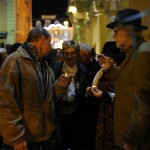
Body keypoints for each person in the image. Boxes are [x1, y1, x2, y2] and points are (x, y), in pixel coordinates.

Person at [0, 27, 71, 150]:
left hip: (43, 138)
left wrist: (60, 85)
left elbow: (48, 98)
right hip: (24, 140)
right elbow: (6, 103)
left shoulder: (44, 64)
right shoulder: (14, 61)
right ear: (42, 40)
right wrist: (16, 137)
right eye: (50, 43)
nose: (51, 47)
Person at [99, 8, 150, 150]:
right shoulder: (133, 52)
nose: (113, 37)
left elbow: (143, 103)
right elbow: (126, 80)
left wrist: (132, 139)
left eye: (116, 32)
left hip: (136, 141)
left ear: (128, 31)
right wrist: (109, 68)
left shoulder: (143, 53)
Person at [86, 41, 125, 150]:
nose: (102, 59)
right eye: (101, 56)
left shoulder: (120, 70)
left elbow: (121, 93)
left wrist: (108, 69)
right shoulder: (102, 71)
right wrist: (91, 91)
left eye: (105, 56)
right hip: (103, 116)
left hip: (116, 117)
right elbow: (97, 85)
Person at [53, 40, 89, 150]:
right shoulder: (56, 68)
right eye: (66, 53)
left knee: (76, 143)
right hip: (59, 115)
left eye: (72, 53)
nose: (69, 56)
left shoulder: (82, 70)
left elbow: (83, 94)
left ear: (77, 54)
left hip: (77, 114)